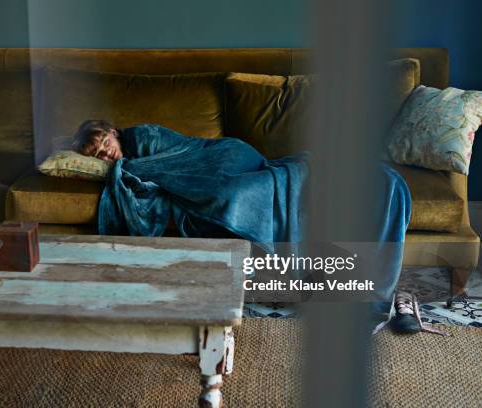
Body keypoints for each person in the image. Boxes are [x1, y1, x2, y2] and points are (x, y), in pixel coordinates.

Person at [72, 119, 446, 336]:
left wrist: (124, 170)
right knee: (230, 195)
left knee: (230, 193)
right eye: (98, 155)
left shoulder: (141, 137)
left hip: (229, 157)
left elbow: (179, 160)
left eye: (105, 144)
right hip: (218, 167)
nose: (107, 155)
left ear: (113, 131)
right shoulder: (125, 154)